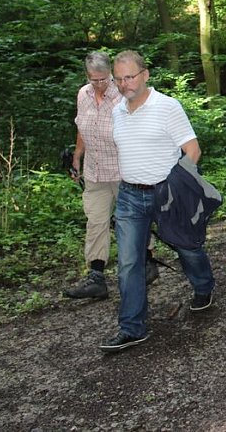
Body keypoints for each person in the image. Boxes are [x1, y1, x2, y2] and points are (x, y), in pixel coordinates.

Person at [99, 51, 216, 353]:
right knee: (128, 263)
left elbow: (193, 150)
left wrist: (177, 187)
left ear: (145, 74)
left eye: (130, 76)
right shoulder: (117, 112)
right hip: (129, 197)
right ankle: (132, 328)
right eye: (119, 78)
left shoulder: (167, 106)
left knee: (187, 248)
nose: (125, 83)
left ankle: (204, 287)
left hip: (166, 194)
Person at [64, 52, 159, 299]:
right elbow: (82, 127)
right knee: (95, 221)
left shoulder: (123, 96)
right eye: (93, 80)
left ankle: (147, 262)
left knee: (132, 221)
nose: (99, 84)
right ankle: (96, 277)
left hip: (123, 170)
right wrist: (77, 155)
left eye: (104, 79)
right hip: (95, 170)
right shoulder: (83, 95)